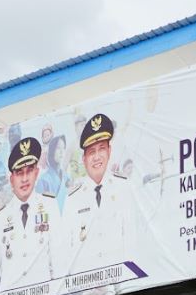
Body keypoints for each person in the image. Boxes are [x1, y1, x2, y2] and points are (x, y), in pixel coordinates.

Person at [56, 112, 136, 278]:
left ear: (109, 151)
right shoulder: (73, 198)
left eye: (102, 149)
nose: (97, 157)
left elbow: (131, 238)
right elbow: (65, 249)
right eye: (91, 152)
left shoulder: (123, 187)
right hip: (85, 286)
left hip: (120, 282)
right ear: (84, 159)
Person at [0, 137, 60, 295]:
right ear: (11, 179)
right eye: (19, 173)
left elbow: (59, 259)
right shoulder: (0, 218)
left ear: (36, 173)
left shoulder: (50, 206)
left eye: (29, 171)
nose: (24, 179)